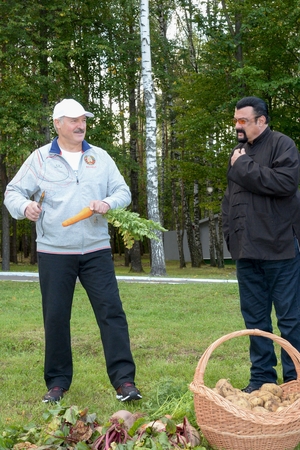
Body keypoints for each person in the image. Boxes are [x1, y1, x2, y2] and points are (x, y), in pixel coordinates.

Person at [4, 98, 142, 403]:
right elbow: (12, 192)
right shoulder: (39, 159)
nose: (80, 125)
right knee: (55, 317)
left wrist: (107, 203)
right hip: (54, 251)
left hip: (96, 250)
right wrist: (25, 206)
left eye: (83, 120)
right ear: (57, 124)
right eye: (73, 120)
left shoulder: (101, 158)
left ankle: (124, 381)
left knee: (112, 313)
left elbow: (123, 191)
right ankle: (57, 383)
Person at [222, 96, 300, 393]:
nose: (238, 126)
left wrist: (242, 165)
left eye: (243, 121)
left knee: (290, 319)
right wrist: (231, 236)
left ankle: (295, 381)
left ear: (261, 121)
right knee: (255, 322)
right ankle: (261, 379)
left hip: (280, 249)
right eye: (235, 120)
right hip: (246, 252)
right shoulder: (238, 152)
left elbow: (285, 184)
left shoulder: (283, 145)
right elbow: (230, 200)